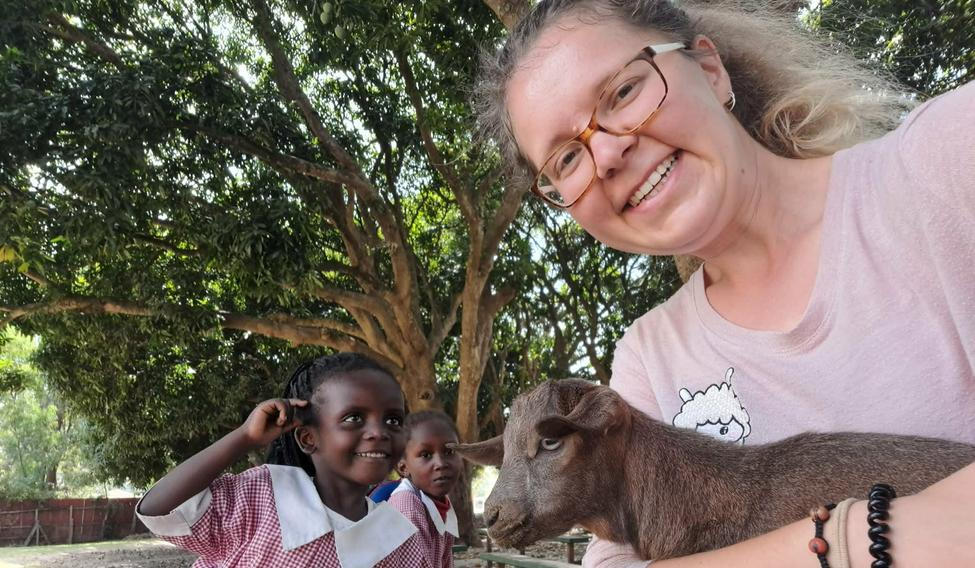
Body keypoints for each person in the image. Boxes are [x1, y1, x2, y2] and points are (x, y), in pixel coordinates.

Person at [474, 0, 975, 566]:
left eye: (622, 92)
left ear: (709, 70)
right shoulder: (650, 355)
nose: (608, 152)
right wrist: (850, 537)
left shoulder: (947, 160)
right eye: (567, 159)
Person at [136, 352, 426, 567]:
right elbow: (159, 510)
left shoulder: (400, 537)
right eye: (353, 418)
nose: (379, 432)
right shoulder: (263, 497)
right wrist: (245, 437)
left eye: (393, 420)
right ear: (308, 438)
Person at [388, 410, 463, 568]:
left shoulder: (442, 503)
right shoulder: (407, 507)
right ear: (403, 467)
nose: (440, 463)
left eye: (449, 451)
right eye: (426, 454)